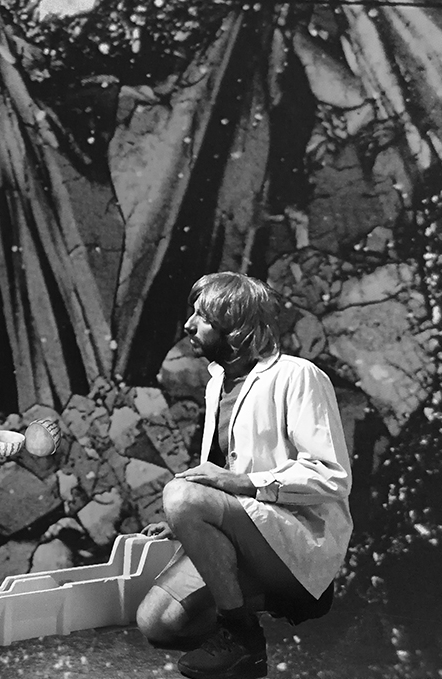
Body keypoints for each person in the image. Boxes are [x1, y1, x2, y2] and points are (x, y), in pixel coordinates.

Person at [135, 272, 352, 679]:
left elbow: (332, 476)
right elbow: (221, 471)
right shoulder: (218, 382)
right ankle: (283, 599)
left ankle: (242, 637)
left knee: (181, 494)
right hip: (249, 527)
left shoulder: (298, 375)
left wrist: (235, 487)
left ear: (234, 325)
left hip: (296, 535)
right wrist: (187, 522)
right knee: (156, 623)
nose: (188, 325)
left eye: (202, 316)